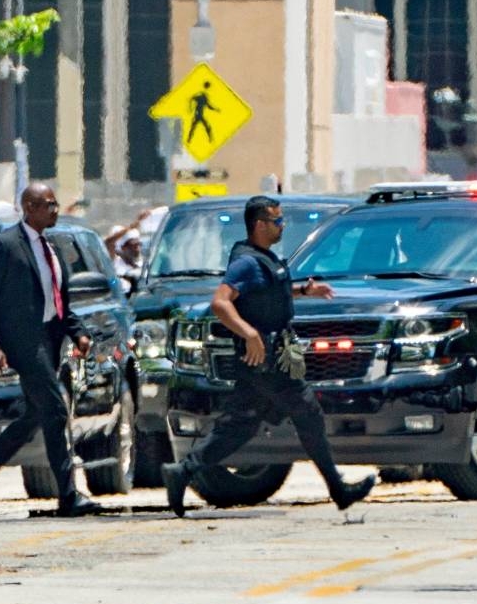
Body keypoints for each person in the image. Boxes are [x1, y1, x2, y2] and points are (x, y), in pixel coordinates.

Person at [161, 196, 376, 517]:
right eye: (276, 221)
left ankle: (183, 471)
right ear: (259, 225)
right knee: (308, 415)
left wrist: (304, 291)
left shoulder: (263, 260)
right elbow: (221, 302)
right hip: (267, 361)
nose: (282, 226)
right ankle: (338, 489)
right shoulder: (246, 263)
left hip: (263, 361)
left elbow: (268, 291)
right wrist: (248, 333)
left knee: (239, 427)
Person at [0, 182, 100, 517]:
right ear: (29, 207)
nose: (55, 210)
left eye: (56, 204)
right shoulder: (5, 244)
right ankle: (68, 496)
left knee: (37, 414)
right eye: (49, 204)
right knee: (56, 410)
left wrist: (78, 332)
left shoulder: (51, 246)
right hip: (24, 343)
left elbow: (58, 300)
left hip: (50, 340)